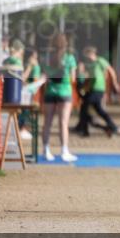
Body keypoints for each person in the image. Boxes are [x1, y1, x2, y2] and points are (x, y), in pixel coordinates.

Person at [41, 33, 78, 162]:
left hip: (50, 91)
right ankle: (64, 151)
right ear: (66, 43)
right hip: (64, 92)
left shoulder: (47, 58)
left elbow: (44, 76)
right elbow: (73, 78)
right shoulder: (70, 58)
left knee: (47, 123)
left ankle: (46, 150)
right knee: (63, 123)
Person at [76, 47, 120, 138]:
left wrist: (115, 83)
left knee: (85, 108)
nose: (86, 58)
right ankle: (111, 127)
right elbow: (89, 79)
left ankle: (84, 130)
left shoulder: (100, 61)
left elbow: (111, 71)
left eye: (87, 55)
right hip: (92, 89)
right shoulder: (90, 65)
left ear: (92, 54)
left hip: (98, 89)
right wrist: (84, 88)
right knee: (98, 110)